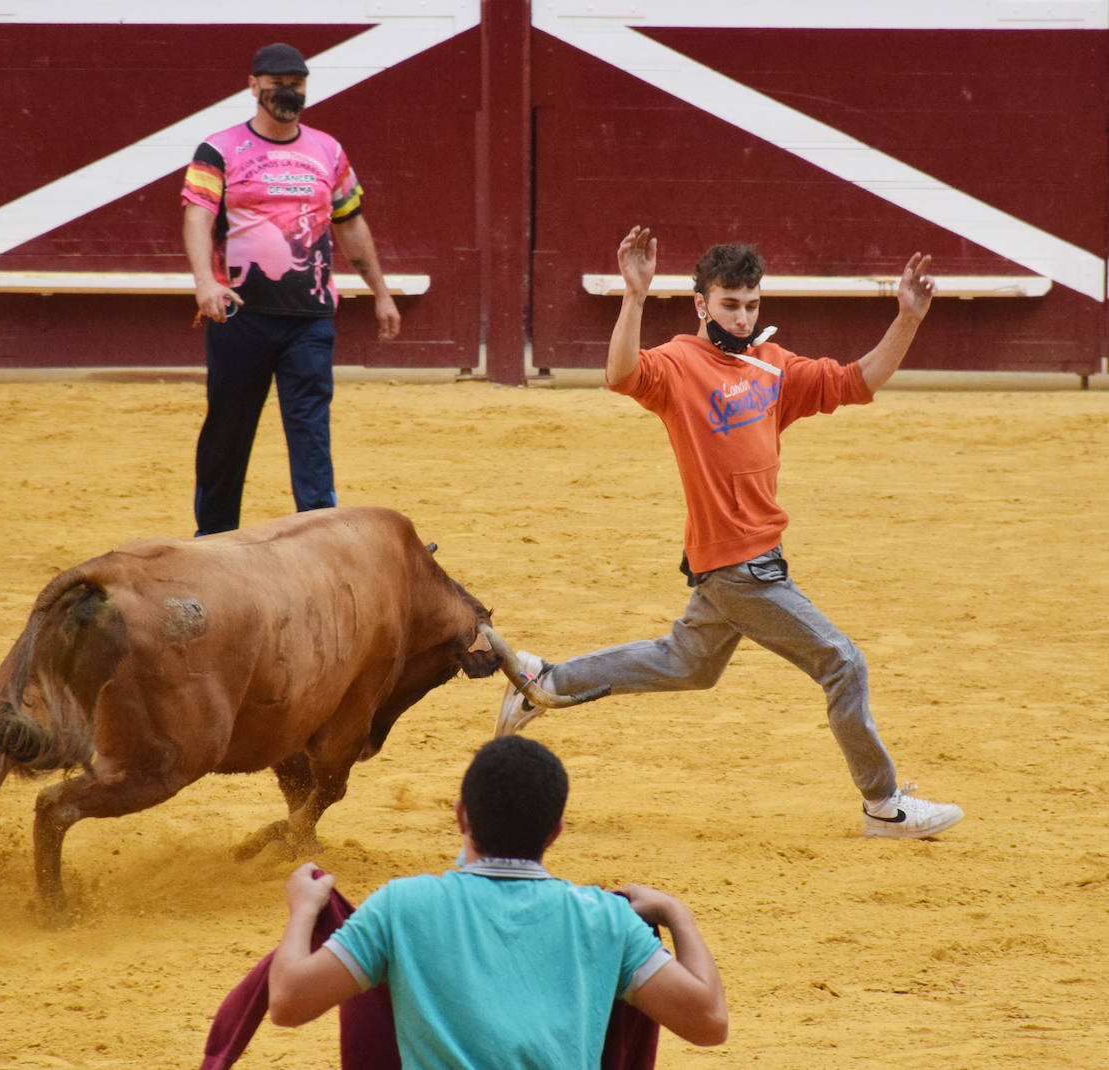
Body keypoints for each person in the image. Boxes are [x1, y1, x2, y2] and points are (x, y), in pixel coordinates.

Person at [496, 227, 964, 841]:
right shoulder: (679, 364)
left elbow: (858, 382)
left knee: (688, 664)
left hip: (746, 555)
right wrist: (634, 297)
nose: (742, 318)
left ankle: (545, 681)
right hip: (739, 565)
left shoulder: (773, 367)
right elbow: (620, 373)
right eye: (729, 305)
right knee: (843, 664)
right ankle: (885, 806)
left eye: (751, 305)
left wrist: (907, 319)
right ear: (701, 304)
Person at [267, 736, 728, 1067]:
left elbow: (288, 1003)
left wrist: (305, 910)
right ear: (555, 832)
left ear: (461, 816)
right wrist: (676, 914)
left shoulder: (403, 906)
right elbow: (709, 1023)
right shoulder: (605, 920)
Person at [180, 42, 401, 536]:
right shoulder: (218, 149)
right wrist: (204, 282)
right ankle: (212, 537)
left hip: (310, 316)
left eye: (296, 83)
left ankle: (319, 535)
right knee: (228, 430)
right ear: (253, 86)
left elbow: (350, 224)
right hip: (240, 313)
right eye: (277, 83)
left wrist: (381, 292)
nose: (287, 91)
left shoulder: (328, 150)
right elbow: (198, 217)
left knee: (310, 432)